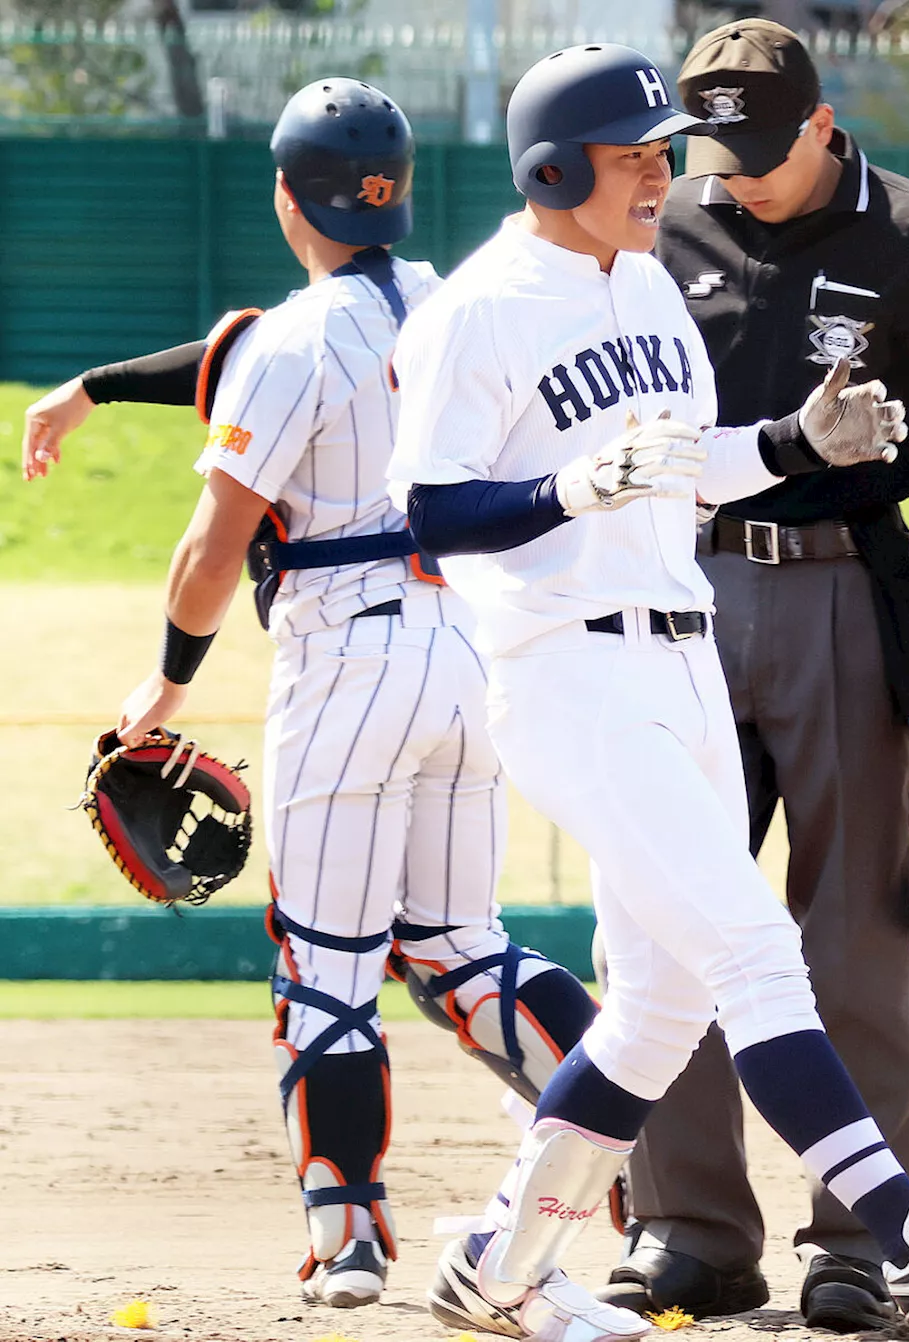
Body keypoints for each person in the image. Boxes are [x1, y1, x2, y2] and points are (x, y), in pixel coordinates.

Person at [386, 42, 909, 1342]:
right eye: (638, 157)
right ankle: (905, 1222)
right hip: (572, 667)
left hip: (683, 646)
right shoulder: (478, 310)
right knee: (756, 946)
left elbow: (688, 457)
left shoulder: (640, 284)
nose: (664, 176)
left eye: (663, 153)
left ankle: (502, 1259)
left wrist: (793, 443)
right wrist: (567, 490)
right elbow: (427, 510)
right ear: (549, 169)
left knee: (659, 1003)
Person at [20, 77, 598, 1311]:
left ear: (288, 195)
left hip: (345, 664)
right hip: (466, 650)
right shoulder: (460, 302)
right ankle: (626, 1115)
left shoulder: (290, 338)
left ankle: (347, 1236)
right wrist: (100, 385)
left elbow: (210, 549)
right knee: (459, 945)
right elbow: (240, 356)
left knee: (325, 963)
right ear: (395, 189)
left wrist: (167, 684)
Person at [593, 20, 909, 1332]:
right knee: (661, 916)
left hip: (846, 589)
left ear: (821, 120)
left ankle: (857, 1237)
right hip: (670, 588)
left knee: (849, 931)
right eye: (710, 149)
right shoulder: (655, 230)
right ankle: (691, 1232)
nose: (731, 173)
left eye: (757, 147)